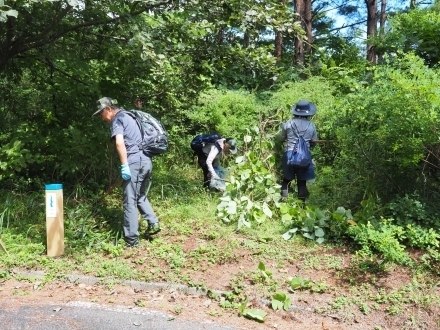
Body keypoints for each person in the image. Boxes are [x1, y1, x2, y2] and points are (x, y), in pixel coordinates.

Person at [93, 97, 160, 247]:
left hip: (134, 163)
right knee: (139, 196)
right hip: (146, 161)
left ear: (109, 109)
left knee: (129, 201)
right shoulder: (131, 116)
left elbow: (119, 142)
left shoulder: (118, 119)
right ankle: (154, 223)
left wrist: (125, 166)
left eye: (101, 113)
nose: (101, 117)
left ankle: (131, 241)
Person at [278, 100, 318, 205]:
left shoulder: (289, 123)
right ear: (308, 113)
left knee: (287, 179)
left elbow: (281, 138)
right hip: (304, 156)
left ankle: (283, 200)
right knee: (302, 182)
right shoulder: (311, 125)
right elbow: (314, 143)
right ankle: (301, 205)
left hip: (289, 154)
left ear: (295, 111)